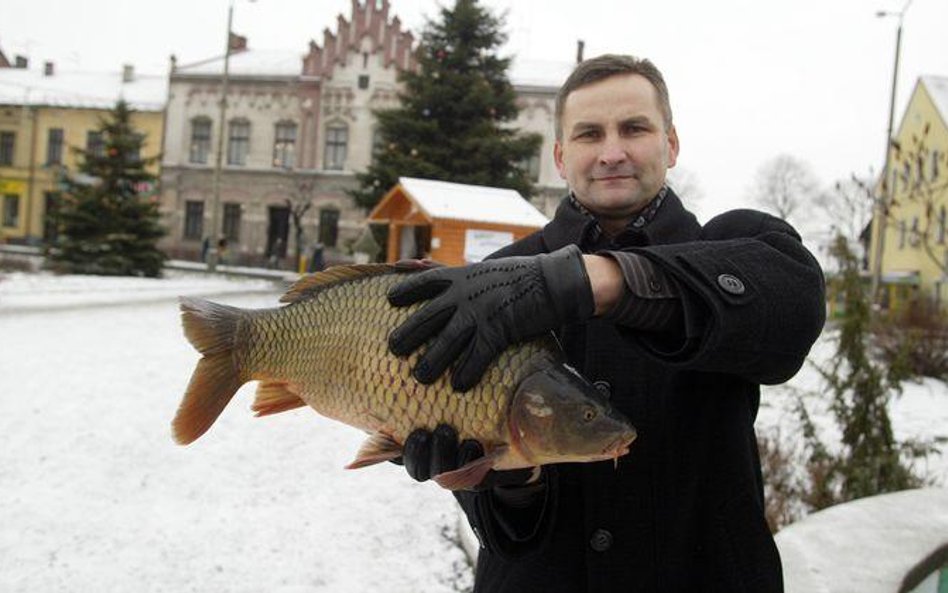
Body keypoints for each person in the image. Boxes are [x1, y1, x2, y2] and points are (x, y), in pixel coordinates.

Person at [387, 54, 825, 592]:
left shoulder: (735, 243)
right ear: (560, 155)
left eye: (634, 129)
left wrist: (591, 282)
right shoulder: (492, 279)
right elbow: (504, 532)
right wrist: (498, 479)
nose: (612, 153)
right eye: (589, 134)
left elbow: (793, 309)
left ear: (671, 144)